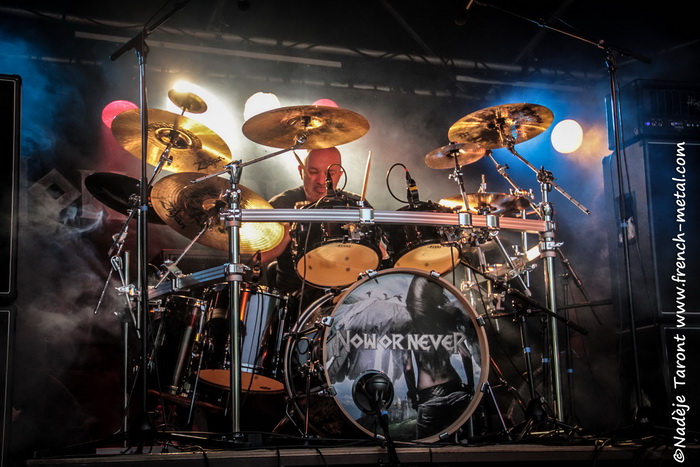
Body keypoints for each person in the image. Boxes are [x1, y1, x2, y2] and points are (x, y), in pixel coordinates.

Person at [265, 147, 369, 301]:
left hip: (346, 297)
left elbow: (379, 258)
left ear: (340, 174)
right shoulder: (281, 205)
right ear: (301, 171)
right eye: (313, 172)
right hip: (294, 299)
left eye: (330, 173)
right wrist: (288, 232)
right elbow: (256, 258)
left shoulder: (355, 206)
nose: (321, 181)